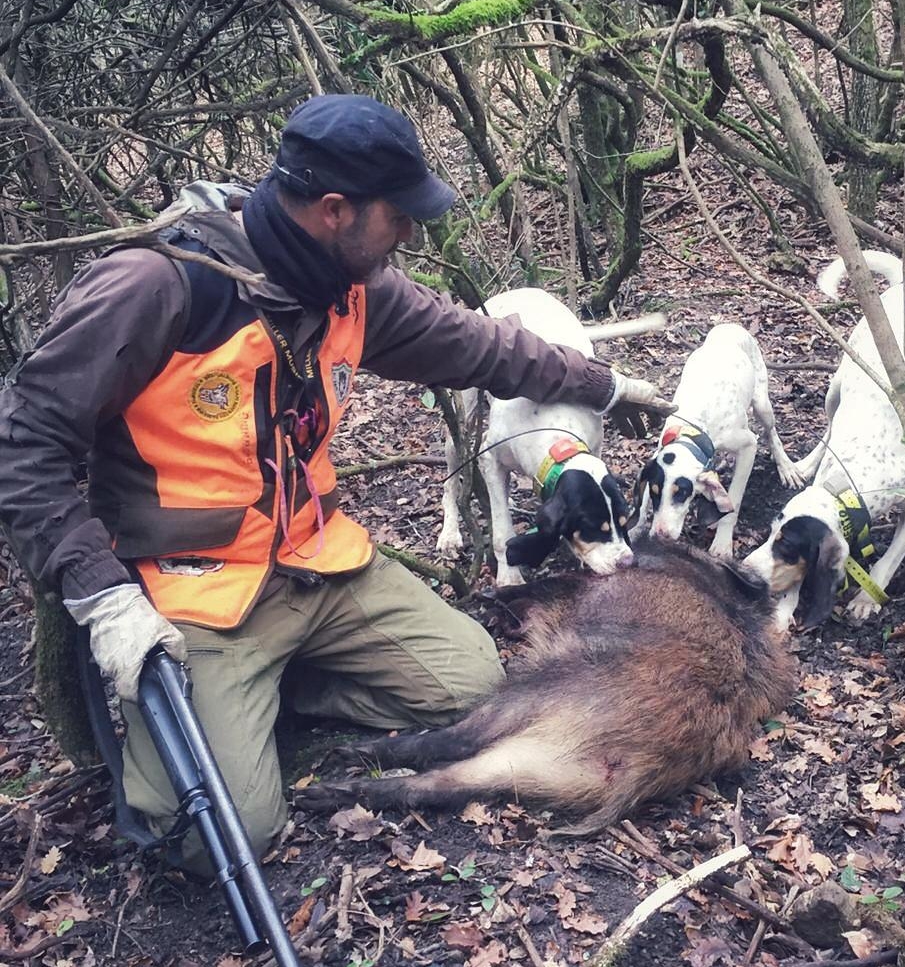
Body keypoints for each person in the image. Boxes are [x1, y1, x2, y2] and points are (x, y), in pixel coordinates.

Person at [0, 95, 668, 868]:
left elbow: (477, 345)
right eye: (398, 216)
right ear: (334, 210)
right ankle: (231, 699)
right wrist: (101, 594)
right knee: (213, 837)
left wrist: (604, 386)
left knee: (472, 683)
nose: (409, 234)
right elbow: (23, 441)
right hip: (199, 594)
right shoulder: (158, 285)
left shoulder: (354, 286)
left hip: (318, 564)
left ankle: (275, 688)